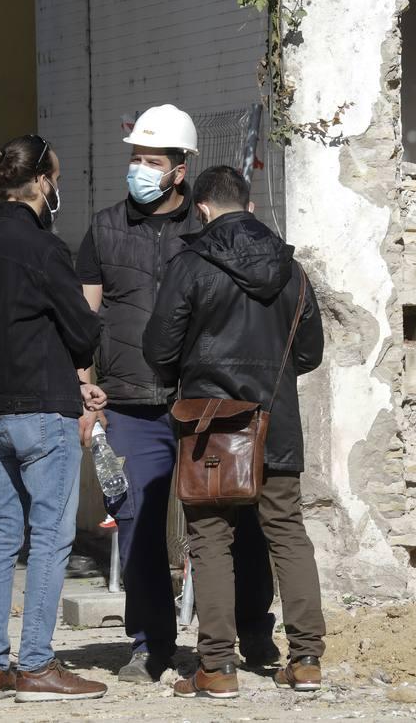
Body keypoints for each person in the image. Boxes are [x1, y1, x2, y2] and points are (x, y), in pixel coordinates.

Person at [75, 104, 277, 683]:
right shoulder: (106, 227)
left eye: (150, 160)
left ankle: (253, 633)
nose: (138, 168)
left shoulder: (211, 230)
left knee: (235, 519)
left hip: (208, 399)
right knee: (136, 522)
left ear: (179, 170)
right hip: (132, 402)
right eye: (134, 158)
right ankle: (149, 643)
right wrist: (84, 385)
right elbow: (86, 318)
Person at [142, 164, 327, 700]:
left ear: (201, 208)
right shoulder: (294, 270)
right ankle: (306, 659)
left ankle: (218, 667)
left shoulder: (190, 263)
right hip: (278, 424)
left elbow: (158, 350)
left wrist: (189, 377)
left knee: (210, 537)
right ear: (249, 207)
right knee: (288, 534)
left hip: (211, 428)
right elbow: (309, 353)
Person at [0, 134, 110, 703]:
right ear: (43, 182)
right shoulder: (45, 248)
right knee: (49, 538)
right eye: (57, 178)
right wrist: (81, 369)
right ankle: (39, 665)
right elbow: (81, 328)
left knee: (2, 536)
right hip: (43, 412)